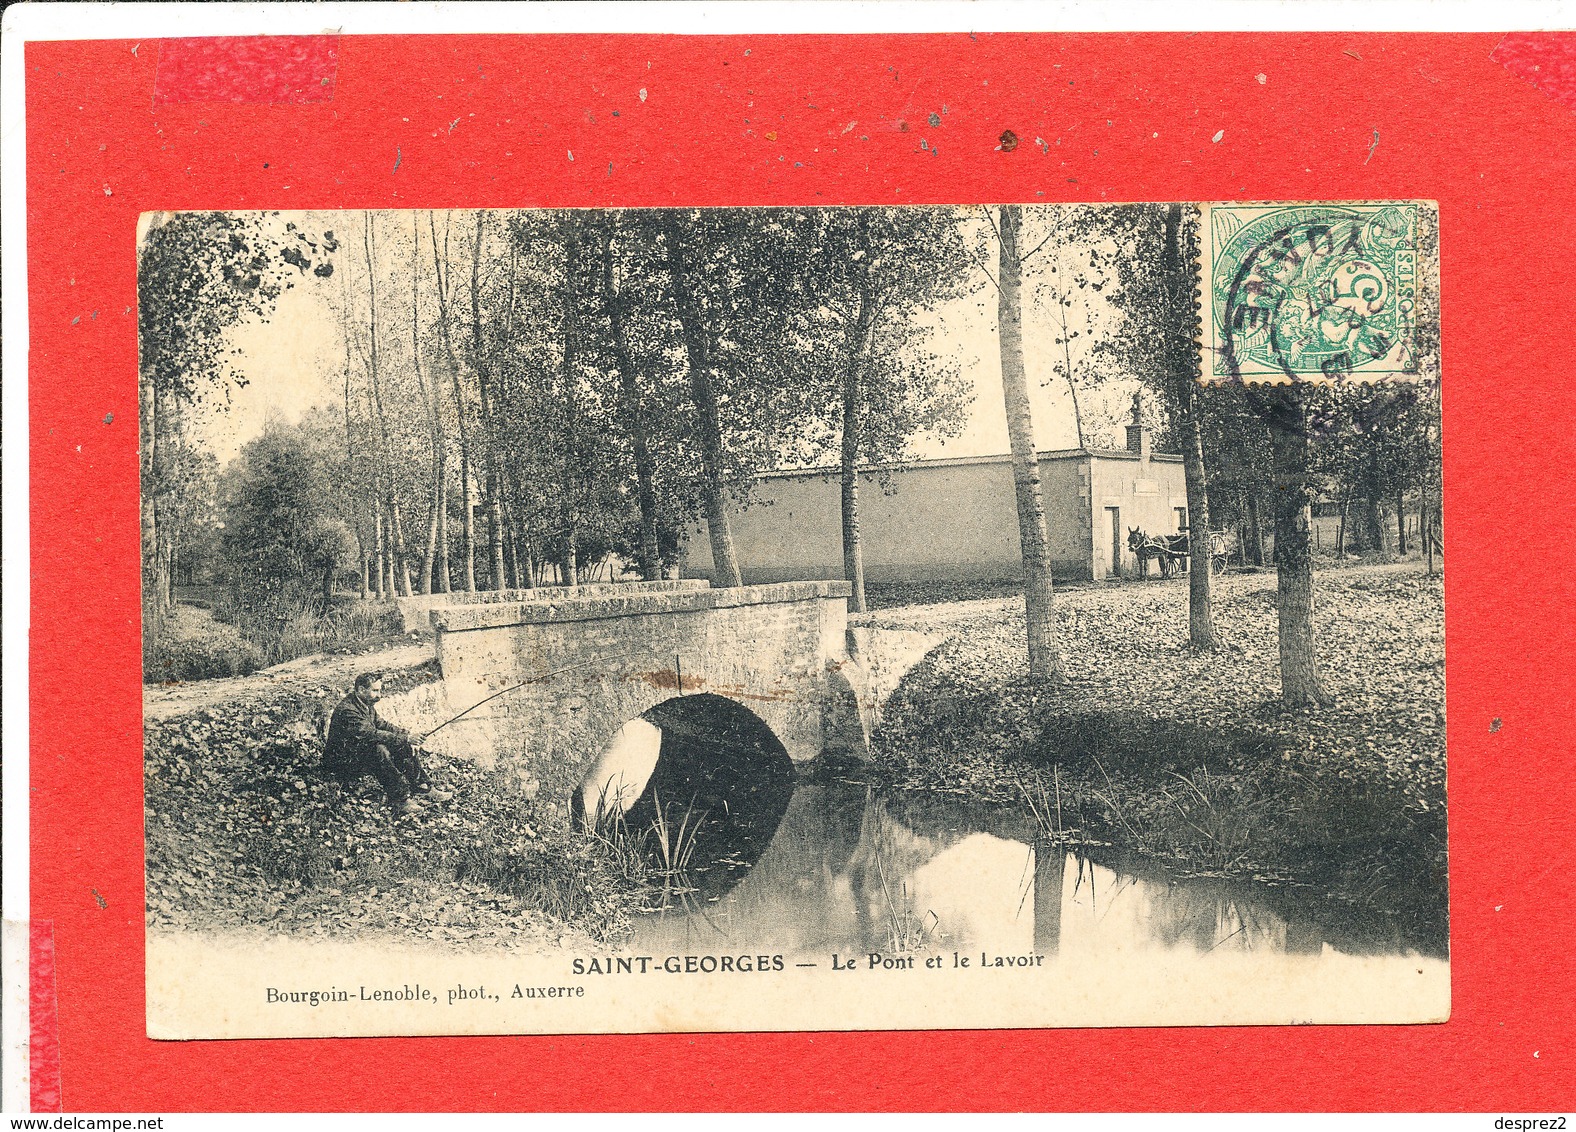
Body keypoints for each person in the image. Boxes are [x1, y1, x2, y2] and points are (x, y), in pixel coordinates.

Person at [323, 672, 451, 815]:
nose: (379, 695)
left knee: (400, 744)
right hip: (340, 763)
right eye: (375, 690)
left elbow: (382, 725)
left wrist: (407, 735)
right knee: (379, 749)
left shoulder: (365, 703)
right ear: (360, 690)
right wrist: (406, 739)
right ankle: (399, 800)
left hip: (356, 752)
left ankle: (422, 787)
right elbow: (371, 734)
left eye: (380, 690)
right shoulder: (348, 710)